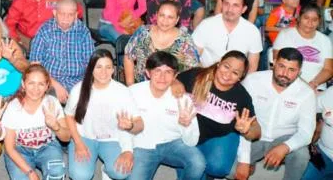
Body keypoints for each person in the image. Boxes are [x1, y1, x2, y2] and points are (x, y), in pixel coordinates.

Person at [177, 50, 261, 178]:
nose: (227, 74)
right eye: (226, 66)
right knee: (195, 165)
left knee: (218, 167)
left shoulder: (242, 96)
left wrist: (247, 130)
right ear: (219, 63)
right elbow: (172, 80)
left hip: (218, 135)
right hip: (187, 131)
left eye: (235, 73)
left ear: (240, 77)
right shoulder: (196, 75)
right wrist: (175, 84)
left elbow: (257, 131)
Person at [236, 48, 314, 180]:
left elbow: (306, 133)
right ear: (274, 63)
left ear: (299, 72)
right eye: (281, 66)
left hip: (283, 139)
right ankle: (251, 162)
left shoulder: (306, 93)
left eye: (292, 70)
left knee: (301, 154)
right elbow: (242, 122)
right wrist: (244, 160)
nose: (284, 74)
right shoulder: (253, 81)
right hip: (252, 137)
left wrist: (285, 147)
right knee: (230, 171)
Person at [126, 51, 204, 180]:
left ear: (175, 76)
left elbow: (192, 142)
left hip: (173, 143)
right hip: (142, 146)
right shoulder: (132, 93)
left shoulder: (183, 99)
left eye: (168, 72)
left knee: (198, 164)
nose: (162, 77)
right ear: (148, 73)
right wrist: (127, 151)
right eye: (157, 71)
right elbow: (122, 128)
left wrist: (186, 125)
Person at [65, 49, 135, 180]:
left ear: (113, 70)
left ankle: (106, 170)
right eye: (99, 67)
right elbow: (69, 116)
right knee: (80, 176)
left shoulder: (122, 91)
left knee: (122, 172)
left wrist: (128, 150)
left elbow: (128, 125)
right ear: (91, 69)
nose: (104, 72)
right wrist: (78, 143)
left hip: (112, 138)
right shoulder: (78, 89)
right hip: (85, 137)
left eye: (108, 67)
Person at [1, 64, 70, 180]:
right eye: (31, 83)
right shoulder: (13, 107)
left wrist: (56, 126)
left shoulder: (52, 103)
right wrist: (30, 173)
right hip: (20, 149)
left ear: (47, 86)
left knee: (57, 173)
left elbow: (66, 137)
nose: (36, 89)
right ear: (23, 84)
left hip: (48, 147)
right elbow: (9, 148)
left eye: (41, 84)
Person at [29, 0, 94, 104]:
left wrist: (83, 87)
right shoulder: (44, 30)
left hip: (77, 82)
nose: (66, 18)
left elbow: (90, 63)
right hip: (49, 81)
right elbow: (35, 65)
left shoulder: (83, 32)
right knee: (47, 101)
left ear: (76, 15)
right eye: (62, 14)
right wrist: (55, 85)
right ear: (54, 13)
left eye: (70, 15)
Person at [124, 0, 200, 85]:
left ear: (177, 20)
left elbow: (193, 67)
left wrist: (178, 85)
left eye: (170, 17)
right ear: (156, 15)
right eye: (162, 15)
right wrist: (130, 86)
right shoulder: (143, 32)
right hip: (142, 85)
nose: (165, 20)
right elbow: (128, 57)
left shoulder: (184, 39)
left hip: (171, 87)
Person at [193, 0, 261, 70]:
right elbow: (192, 58)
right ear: (221, 5)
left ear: (243, 9)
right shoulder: (206, 25)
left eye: (235, 5)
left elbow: (252, 67)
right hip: (206, 73)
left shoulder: (252, 31)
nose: (230, 9)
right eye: (226, 4)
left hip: (236, 76)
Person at [273, 6, 333, 89]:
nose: (310, 23)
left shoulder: (325, 40)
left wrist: (313, 84)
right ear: (299, 18)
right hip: (288, 85)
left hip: (316, 87)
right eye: (306, 18)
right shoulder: (285, 35)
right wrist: (303, 86)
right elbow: (278, 65)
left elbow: (328, 69)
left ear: (319, 21)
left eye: (314, 20)